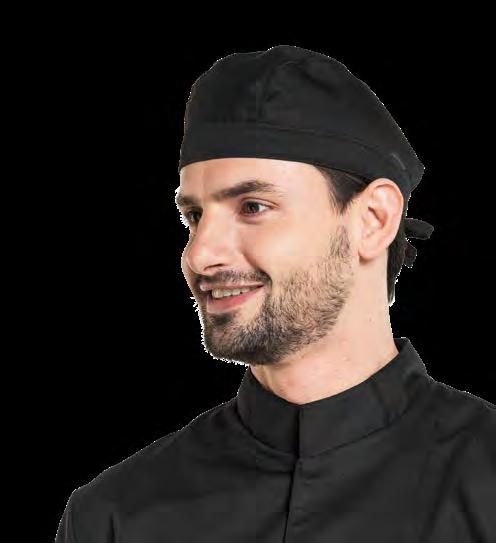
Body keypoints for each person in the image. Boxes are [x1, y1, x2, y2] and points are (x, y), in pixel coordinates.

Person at [55, 45, 495, 542]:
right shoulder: (115, 517)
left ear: (373, 221)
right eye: (194, 216)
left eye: (253, 207)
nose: (199, 255)